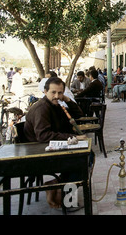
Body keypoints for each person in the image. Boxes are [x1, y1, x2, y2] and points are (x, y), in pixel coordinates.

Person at [24, 77, 88, 208]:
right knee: (81, 159)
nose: (56, 96)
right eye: (53, 92)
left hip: (49, 148)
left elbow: (79, 114)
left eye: (60, 93)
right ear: (45, 91)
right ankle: (65, 197)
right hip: (39, 154)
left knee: (87, 155)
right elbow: (43, 136)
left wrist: (67, 99)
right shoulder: (41, 108)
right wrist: (71, 137)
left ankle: (57, 185)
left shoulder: (56, 105)